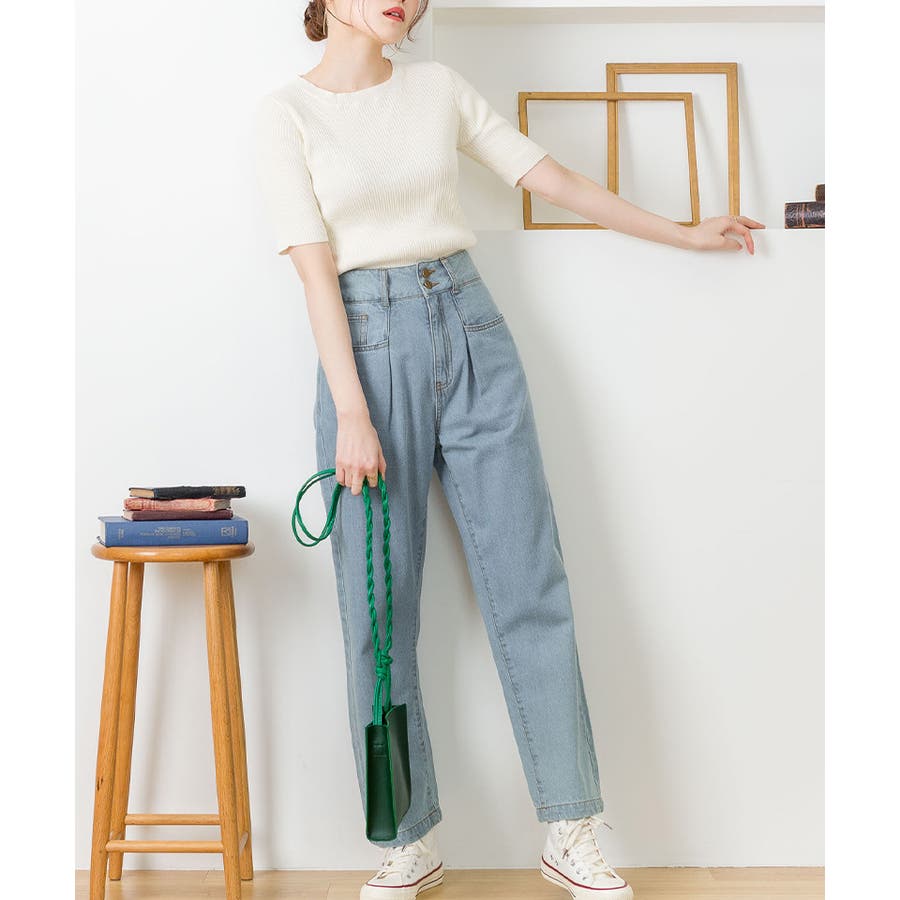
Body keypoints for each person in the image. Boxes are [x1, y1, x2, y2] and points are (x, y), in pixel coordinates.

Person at [253, 2, 766, 898]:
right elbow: (313, 268)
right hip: (364, 350)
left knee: (531, 584)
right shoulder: (286, 113)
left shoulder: (437, 89)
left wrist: (683, 232)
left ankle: (571, 828)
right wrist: (352, 413)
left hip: (472, 326)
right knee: (376, 609)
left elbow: (552, 178)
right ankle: (406, 837)